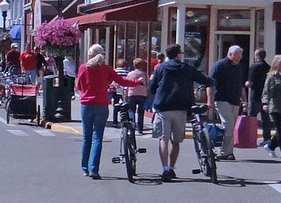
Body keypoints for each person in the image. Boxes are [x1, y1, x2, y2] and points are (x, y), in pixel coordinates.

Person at [148, 43, 214, 181]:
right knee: (176, 141)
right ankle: (172, 167)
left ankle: (165, 169)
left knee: (163, 139)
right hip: (182, 107)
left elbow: (152, 88)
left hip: (163, 106)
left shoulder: (160, 68)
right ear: (178, 54)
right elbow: (205, 80)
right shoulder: (187, 68)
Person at [75, 45, 139, 179]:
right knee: (97, 137)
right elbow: (122, 81)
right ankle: (94, 168)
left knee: (87, 137)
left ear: (90, 54)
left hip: (86, 104)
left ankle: (85, 168)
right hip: (101, 104)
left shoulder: (83, 68)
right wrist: (136, 82)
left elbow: (78, 85)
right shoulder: (106, 69)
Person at [209, 46, 246, 161]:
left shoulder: (239, 68)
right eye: (237, 56)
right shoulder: (219, 66)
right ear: (230, 54)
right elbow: (210, 83)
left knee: (230, 127)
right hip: (221, 99)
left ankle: (225, 150)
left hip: (235, 100)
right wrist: (209, 100)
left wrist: (244, 101)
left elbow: (241, 86)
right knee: (228, 124)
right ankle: (225, 152)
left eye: (240, 56)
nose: (239, 58)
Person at [246, 48, 272, 147]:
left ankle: (250, 137)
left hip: (255, 95)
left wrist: (245, 84)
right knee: (265, 118)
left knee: (251, 118)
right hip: (265, 96)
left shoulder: (254, 66)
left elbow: (249, 83)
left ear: (256, 55)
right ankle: (267, 138)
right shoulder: (268, 67)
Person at [125, 58, 149, 136]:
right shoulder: (144, 74)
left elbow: (127, 84)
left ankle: (131, 129)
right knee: (141, 112)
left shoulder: (130, 74)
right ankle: (140, 130)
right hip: (142, 94)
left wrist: (125, 94)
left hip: (132, 93)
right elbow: (148, 83)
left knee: (131, 111)